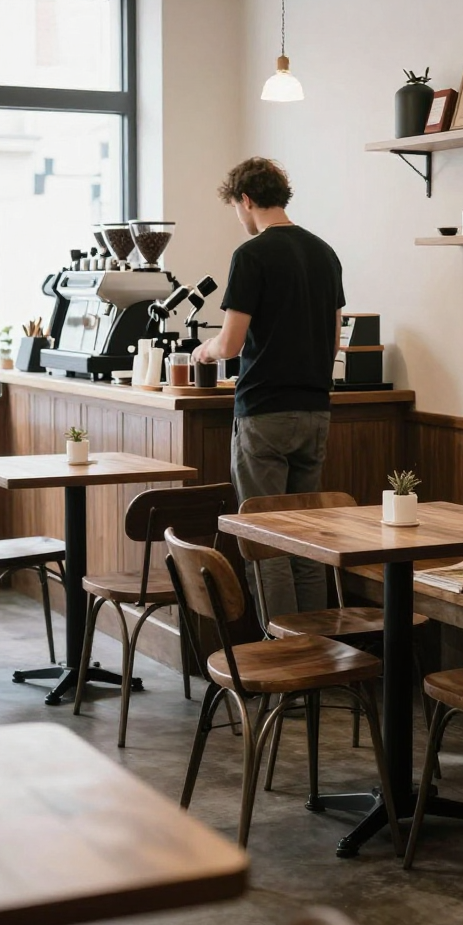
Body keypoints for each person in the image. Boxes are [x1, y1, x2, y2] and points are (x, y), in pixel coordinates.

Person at [192, 157, 344, 616]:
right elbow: (335, 339)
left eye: (237, 209)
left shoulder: (251, 255)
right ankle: (316, 653)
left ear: (246, 200)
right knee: (306, 538)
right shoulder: (324, 252)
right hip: (316, 411)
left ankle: (282, 659)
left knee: (267, 541)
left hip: (264, 413)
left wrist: (205, 350)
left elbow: (232, 343)